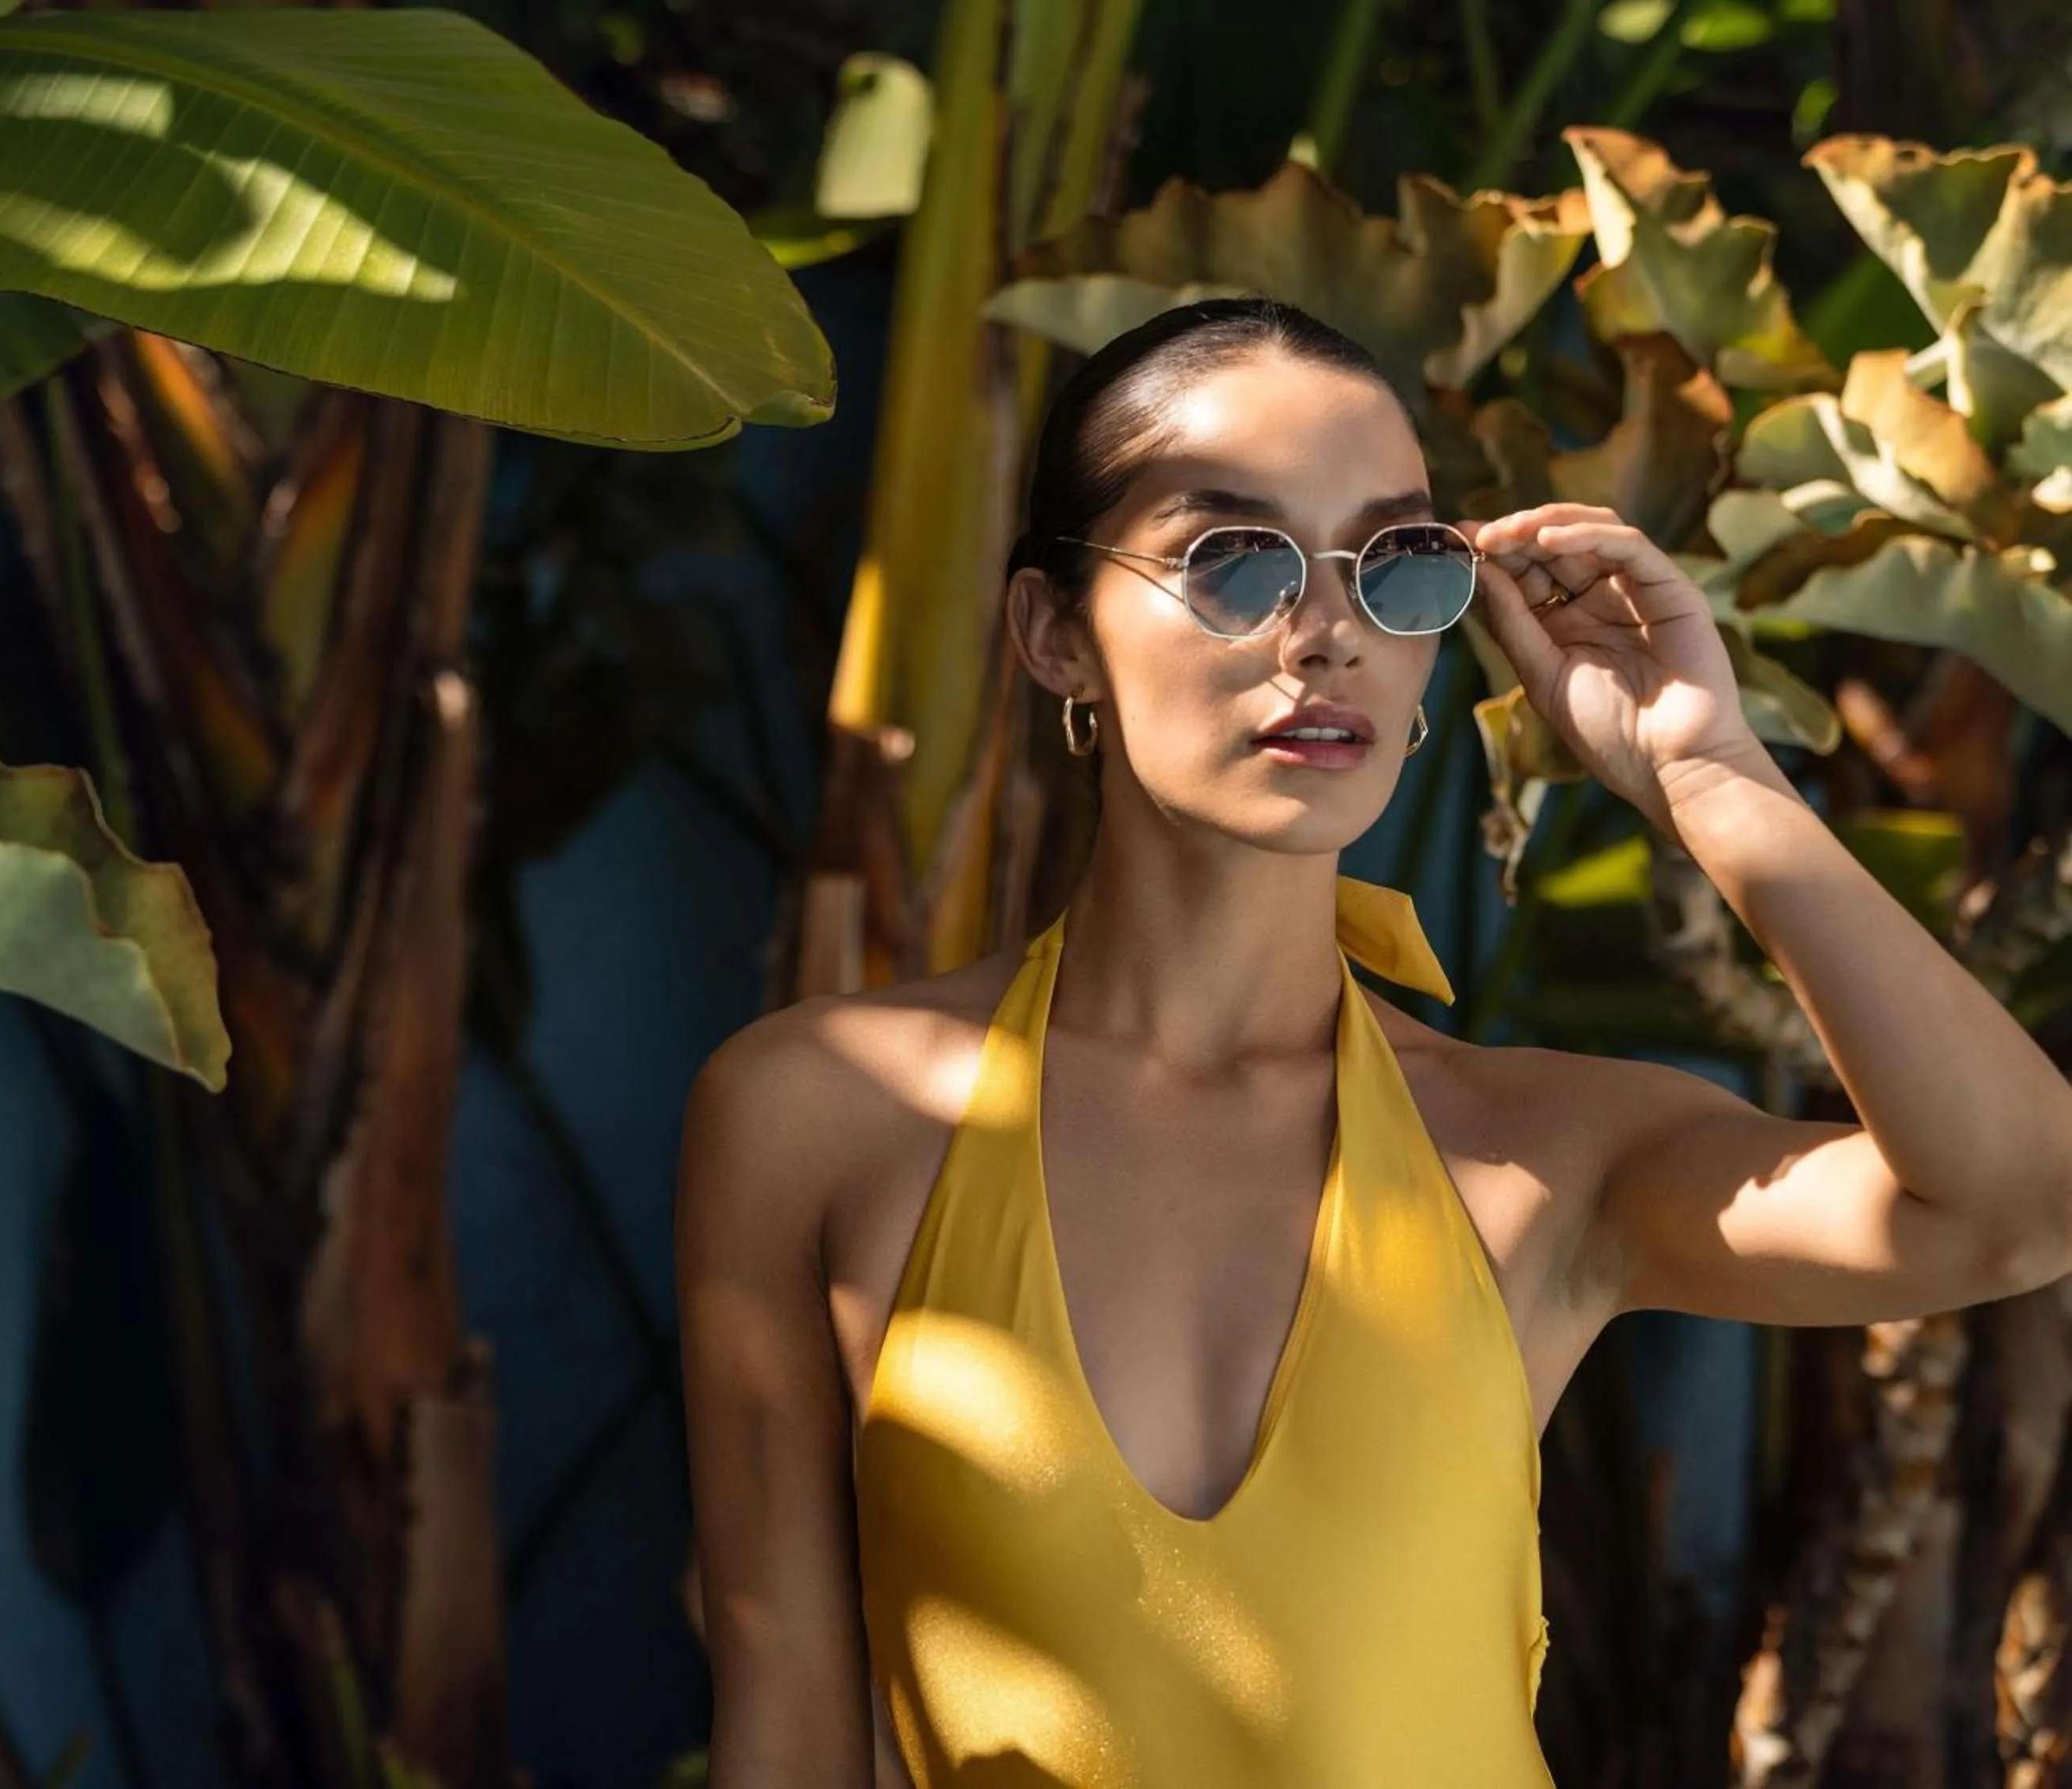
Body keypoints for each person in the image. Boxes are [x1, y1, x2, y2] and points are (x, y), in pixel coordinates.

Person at [673, 296, 2072, 1787]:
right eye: (1234, 560)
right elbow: (788, 1727)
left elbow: (2015, 1205)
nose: (1325, 631)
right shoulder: (816, 1115)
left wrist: (1710, 773)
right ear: (1054, 631)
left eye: (1394, 565)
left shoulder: (1541, 1155)